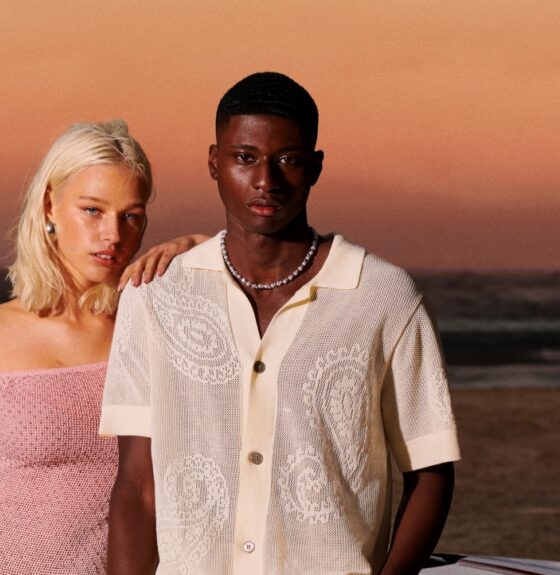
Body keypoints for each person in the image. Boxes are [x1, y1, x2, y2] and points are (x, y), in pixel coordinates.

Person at [101, 72, 461, 575]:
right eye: (245, 158)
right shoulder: (155, 296)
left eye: (287, 160)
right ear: (214, 162)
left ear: (314, 167)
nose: (266, 181)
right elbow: (137, 486)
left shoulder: (384, 297)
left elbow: (431, 472)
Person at [0, 120, 205, 574]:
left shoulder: (149, 328)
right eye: (93, 211)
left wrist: (198, 246)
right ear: (50, 206)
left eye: (131, 216)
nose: (113, 235)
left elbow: (257, 281)